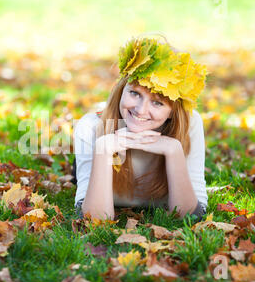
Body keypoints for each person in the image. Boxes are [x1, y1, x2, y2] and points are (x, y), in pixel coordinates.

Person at [72, 35, 209, 221]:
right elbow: (94, 220)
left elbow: (190, 216)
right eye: (135, 93)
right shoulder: (90, 127)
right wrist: (103, 149)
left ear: (172, 112)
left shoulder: (190, 124)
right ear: (121, 89)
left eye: (158, 103)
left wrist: (173, 150)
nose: (141, 110)